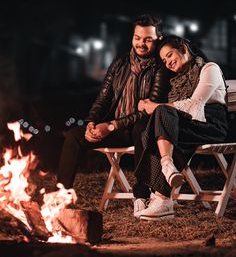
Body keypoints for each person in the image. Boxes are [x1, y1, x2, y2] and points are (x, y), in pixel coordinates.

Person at [56, 14, 171, 196]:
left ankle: (142, 194)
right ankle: (60, 195)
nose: (141, 43)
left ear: (159, 39)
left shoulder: (161, 67)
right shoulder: (120, 63)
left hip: (139, 129)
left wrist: (111, 126)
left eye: (148, 39)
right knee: (74, 135)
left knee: (142, 128)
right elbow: (103, 98)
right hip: (115, 129)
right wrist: (91, 123)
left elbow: (150, 108)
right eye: (137, 38)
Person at [134, 35, 228, 221]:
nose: (168, 62)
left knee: (161, 119)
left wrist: (152, 106)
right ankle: (167, 167)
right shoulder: (176, 82)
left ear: (184, 48)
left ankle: (161, 197)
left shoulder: (210, 68)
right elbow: (172, 112)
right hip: (187, 125)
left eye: (170, 55)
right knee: (161, 122)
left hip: (211, 124)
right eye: (164, 60)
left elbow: (194, 105)